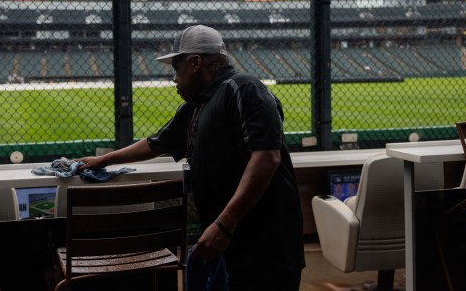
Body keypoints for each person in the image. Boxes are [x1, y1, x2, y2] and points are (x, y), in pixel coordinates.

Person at [79, 25, 305, 290]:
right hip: (233, 242)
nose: (174, 79)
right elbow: (156, 143)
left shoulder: (244, 88)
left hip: (266, 247)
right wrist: (103, 161)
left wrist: (224, 225)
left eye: (177, 68)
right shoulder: (196, 106)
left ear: (195, 63)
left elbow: (267, 157)